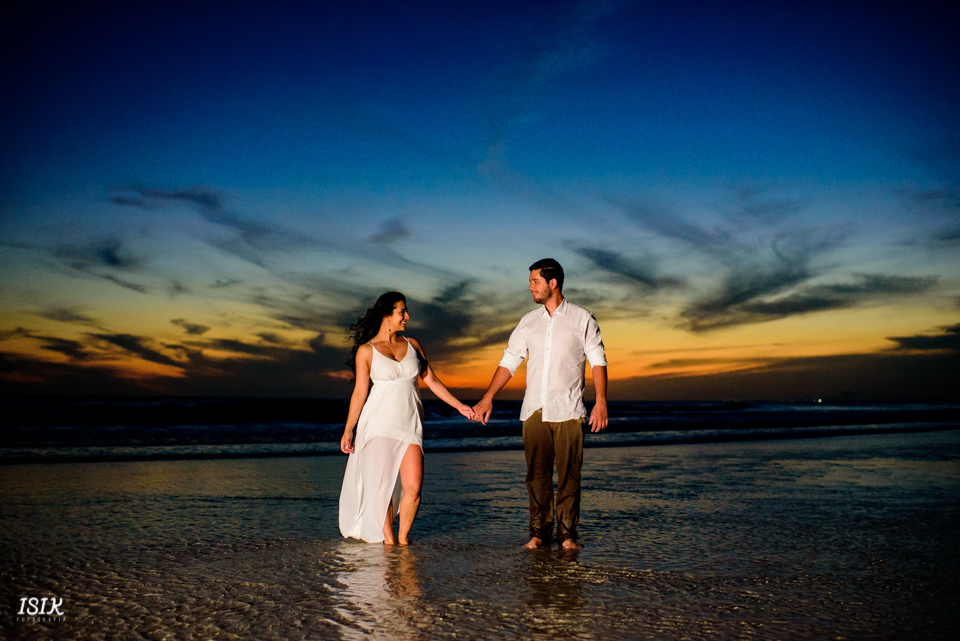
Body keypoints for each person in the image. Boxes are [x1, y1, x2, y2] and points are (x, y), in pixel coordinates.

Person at [472, 259, 608, 550]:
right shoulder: (527, 322)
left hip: (569, 410)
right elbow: (509, 361)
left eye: (535, 281)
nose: (530, 286)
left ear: (552, 283)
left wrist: (601, 402)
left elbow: (598, 361)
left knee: (569, 475)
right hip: (534, 409)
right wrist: (487, 397)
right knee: (536, 476)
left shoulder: (582, 318)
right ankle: (539, 533)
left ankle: (568, 536)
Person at [339, 292, 475, 545]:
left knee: (413, 487)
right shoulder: (366, 351)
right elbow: (360, 392)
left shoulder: (413, 344)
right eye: (402, 311)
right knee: (384, 488)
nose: (407, 316)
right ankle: (391, 541)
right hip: (378, 424)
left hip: (410, 424)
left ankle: (403, 538)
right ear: (386, 316)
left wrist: (460, 406)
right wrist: (349, 429)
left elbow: (431, 380)